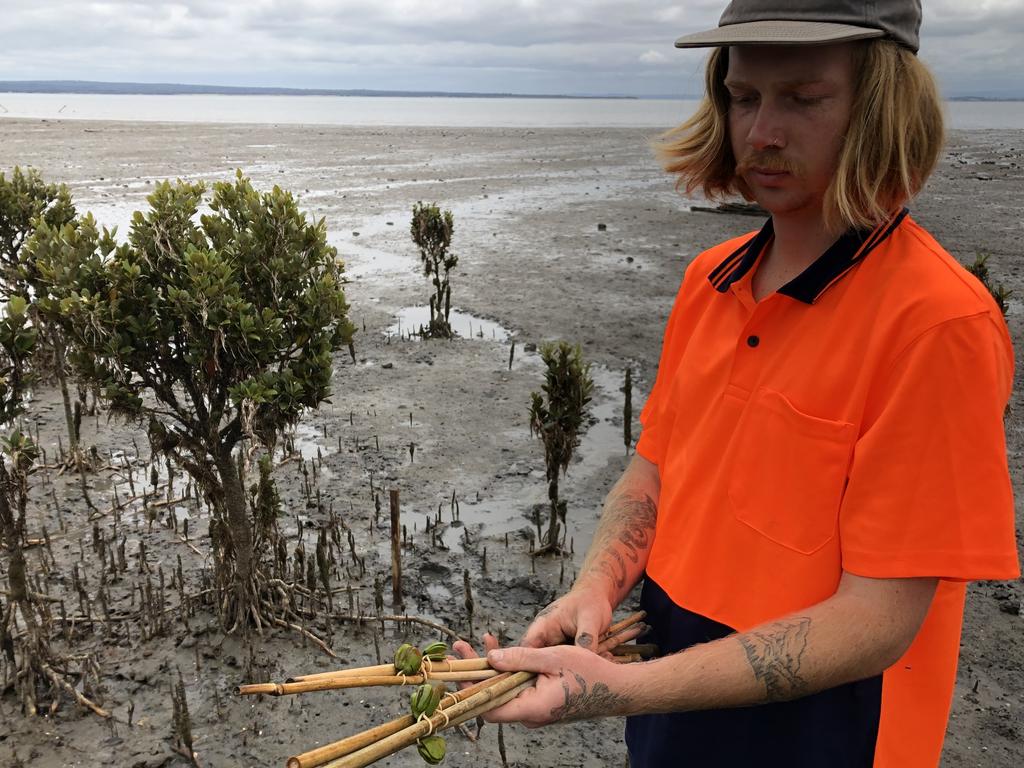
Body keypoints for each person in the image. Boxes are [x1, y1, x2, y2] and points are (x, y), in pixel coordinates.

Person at [454, 1, 1021, 766]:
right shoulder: (709, 282)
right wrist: (596, 588)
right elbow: (655, 466)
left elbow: (879, 620)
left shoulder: (938, 322)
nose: (761, 133)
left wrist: (621, 689)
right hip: (670, 721)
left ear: (882, 107)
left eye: (804, 98)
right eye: (744, 95)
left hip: (827, 735)